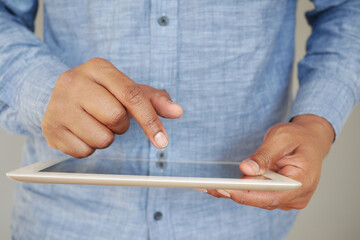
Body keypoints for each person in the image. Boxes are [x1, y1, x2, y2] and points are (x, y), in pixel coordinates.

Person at [0, 0, 359, 239]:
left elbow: (347, 8)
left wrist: (316, 123)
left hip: (240, 226)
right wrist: (43, 89)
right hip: (63, 222)